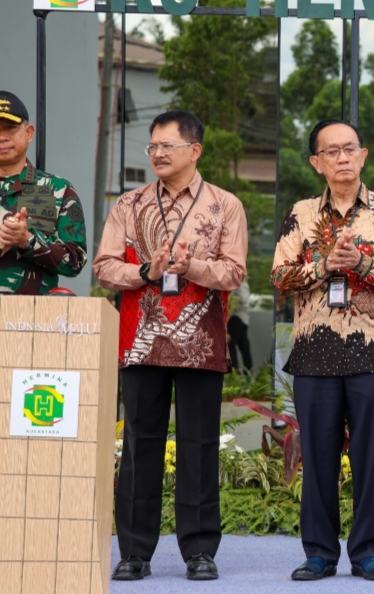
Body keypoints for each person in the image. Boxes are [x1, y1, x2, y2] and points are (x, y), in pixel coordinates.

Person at [93, 110, 248, 581]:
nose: (157, 154)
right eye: (153, 146)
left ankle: (199, 551)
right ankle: (134, 552)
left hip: (201, 342)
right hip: (140, 340)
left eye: (167, 146)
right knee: (140, 445)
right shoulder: (129, 204)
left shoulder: (225, 205)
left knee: (199, 446)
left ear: (194, 150)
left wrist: (191, 267)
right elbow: (103, 267)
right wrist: (148, 271)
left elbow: (235, 272)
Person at [272, 120, 374, 582]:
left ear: (363, 155)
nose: (342, 158)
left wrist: (362, 263)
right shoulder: (299, 214)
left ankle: (369, 552)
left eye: (349, 149)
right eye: (331, 151)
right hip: (314, 352)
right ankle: (319, 553)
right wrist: (322, 266)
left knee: (372, 457)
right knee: (317, 458)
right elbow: (279, 277)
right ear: (316, 162)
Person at [0, 90, 86, 293]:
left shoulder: (55, 190)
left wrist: (28, 241)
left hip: (31, 311)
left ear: (29, 133)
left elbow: (76, 260)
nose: (2, 137)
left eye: (10, 128)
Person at [228, 278, 253, 371]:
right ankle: (248, 369)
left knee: (230, 343)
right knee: (243, 345)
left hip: (238, 316)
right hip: (243, 317)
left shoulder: (240, 284)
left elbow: (242, 299)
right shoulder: (242, 284)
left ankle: (234, 368)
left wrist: (231, 299)